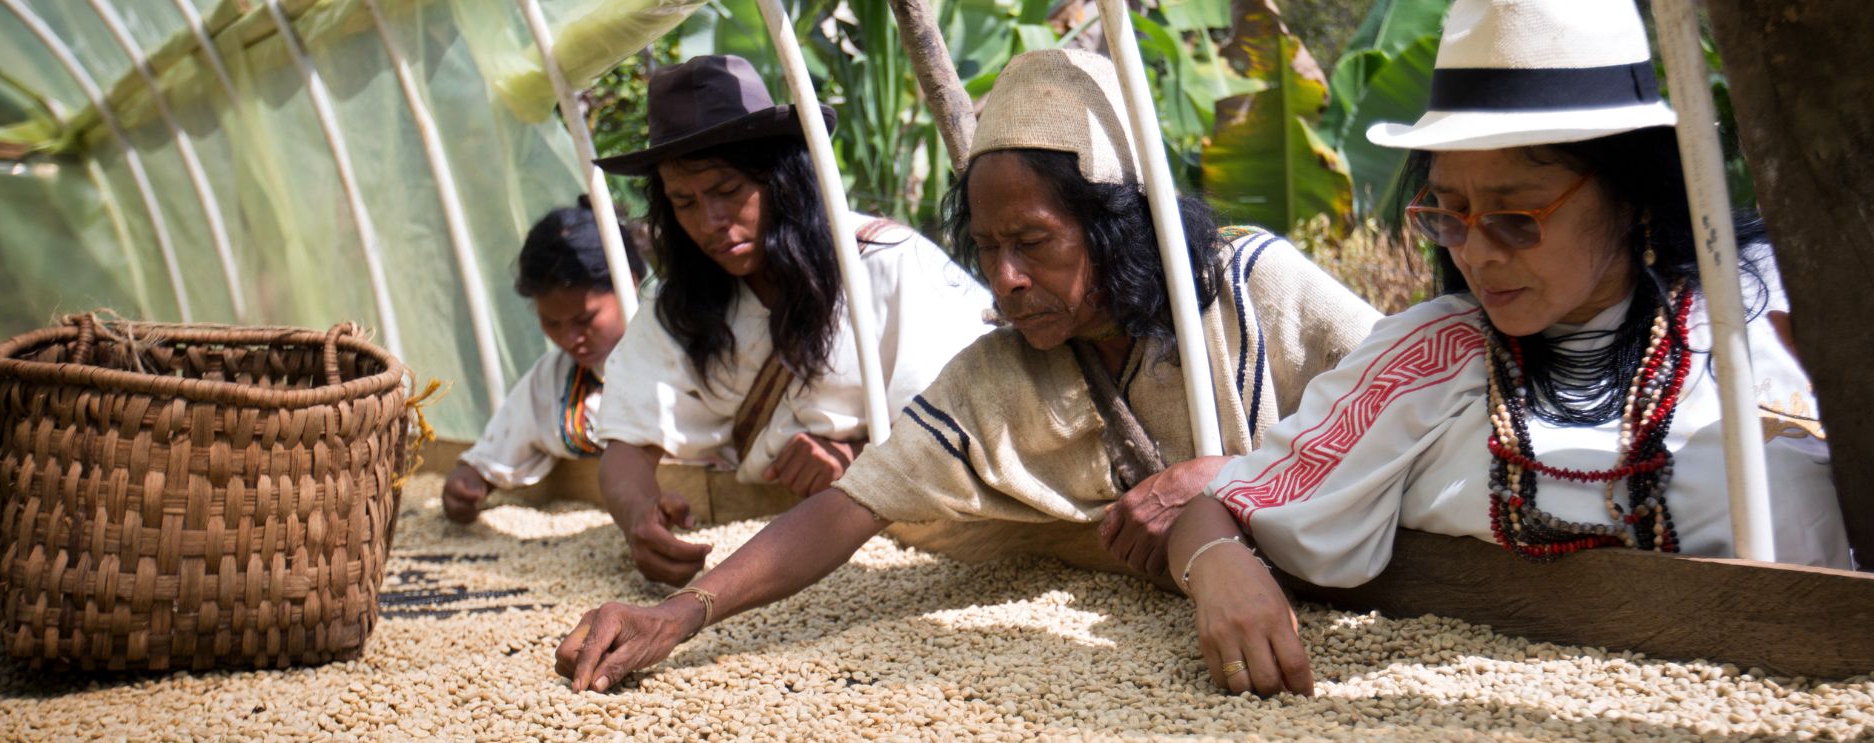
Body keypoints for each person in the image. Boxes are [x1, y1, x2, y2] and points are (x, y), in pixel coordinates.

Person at [553, 49, 1382, 693]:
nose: (1006, 280)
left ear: (1118, 226)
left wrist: (1236, 482)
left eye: (1033, 243)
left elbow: (1410, 398)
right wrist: (681, 614)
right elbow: (850, 508)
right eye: (987, 249)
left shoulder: (1251, 287)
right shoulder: (1002, 372)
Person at [1168, 0, 1853, 699]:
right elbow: (1221, 506)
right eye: (1448, 213)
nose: (1478, 253)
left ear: (1632, 196)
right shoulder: (1430, 356)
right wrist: (1221, 569)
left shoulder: (1763, 327)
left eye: (1516, 218)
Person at [588, 55, 997, 585]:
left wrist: (856, 456)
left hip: (911, 538)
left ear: (781, 178)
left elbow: (975, 414)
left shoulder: (889, 264)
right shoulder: (679, 304)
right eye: (684, 202)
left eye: (729, 191)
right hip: (760, 536)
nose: (710, 222)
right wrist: (638, 514)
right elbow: (624, 444)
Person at [442, 202, 642, 524]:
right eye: (552, 323)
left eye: (585, 319)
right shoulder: (555, 378)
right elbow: (493, 455)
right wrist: (465, 485)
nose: (569, 338)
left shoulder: (681, 351)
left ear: (628, 284)